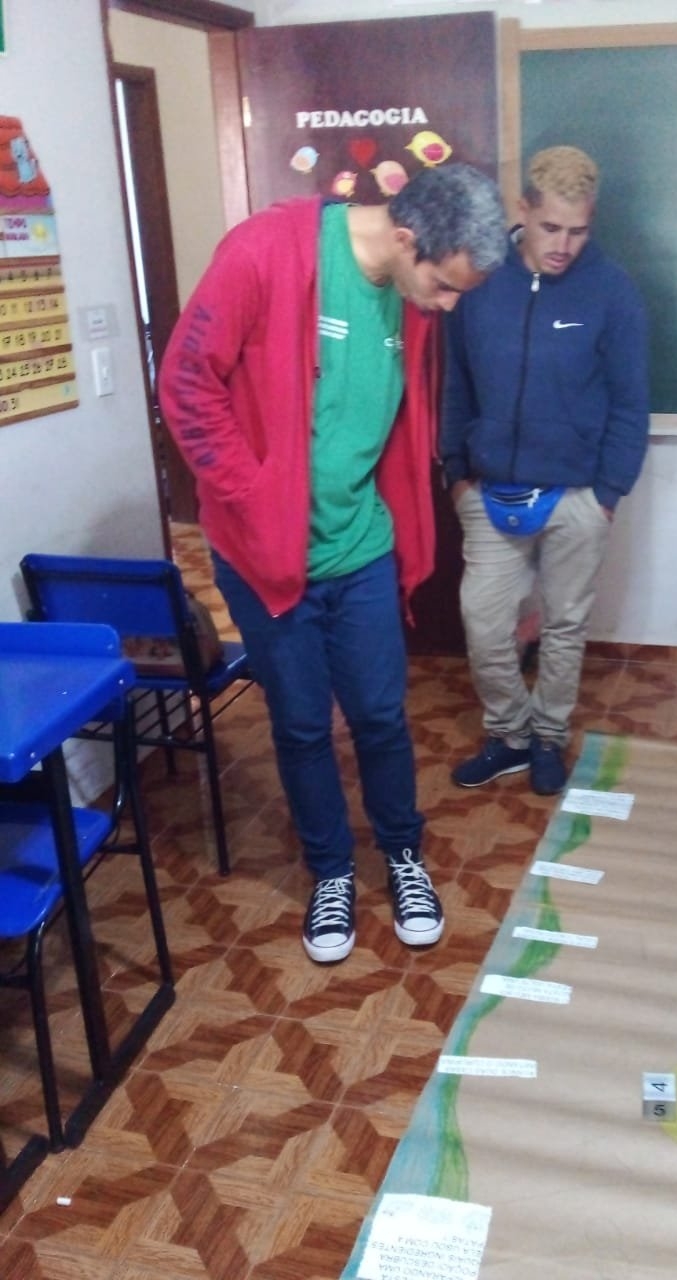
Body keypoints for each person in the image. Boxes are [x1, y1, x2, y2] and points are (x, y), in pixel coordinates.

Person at [158, 164, 506, 963]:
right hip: (265, 556)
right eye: (446, 287)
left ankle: (403, 854)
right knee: (302, 722)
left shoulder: (410, 298)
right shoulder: (264, 253)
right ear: (407, 238)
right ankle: (331, 872)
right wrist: (255, 495)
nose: (447, 307)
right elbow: (184, 383)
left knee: (381, 716)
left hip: (361, 549)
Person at [441, 146, 649, 797]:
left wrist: (607, 493)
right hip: (488, 489)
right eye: (551, 227)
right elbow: (456, 383)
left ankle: (549, 738)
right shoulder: (481, 280)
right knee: (484, 622)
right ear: (523, 210)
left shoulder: (611, 291)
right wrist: (456, 472)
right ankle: (509, 735)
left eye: (578, 231)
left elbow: (631, 401)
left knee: (564, 626)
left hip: (577, 496)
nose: (563, 246)